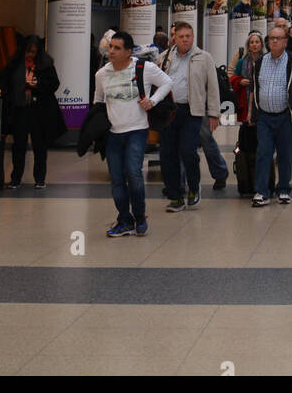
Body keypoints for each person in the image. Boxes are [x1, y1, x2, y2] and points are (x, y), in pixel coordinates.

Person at [94, 30, 172, 236]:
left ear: (128, 52)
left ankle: (139, 216)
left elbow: (167, 82)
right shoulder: (101, 74)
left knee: (133, 174)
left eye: (117, 48)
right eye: (110, 47)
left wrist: (152, 101)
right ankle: (124, 219)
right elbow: (98, 101)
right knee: (117, 179)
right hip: (113, 134)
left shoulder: (143, 68)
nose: (111, 51)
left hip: (137, 131)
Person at [158, 20, 221, 212]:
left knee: (188, 151)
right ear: (174, 38)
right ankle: (175, 196)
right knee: (167, 155)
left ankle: (194, 187)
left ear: (193, 37)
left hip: (192, 112)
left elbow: (213, 87)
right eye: (181, 37)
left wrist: (214, 113)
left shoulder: (204, 58)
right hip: (169, 112)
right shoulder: (164, 57)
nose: (185, 40)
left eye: (188, 36)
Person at [248, 23, 292, 207]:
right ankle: (261, 191)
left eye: (278, 38)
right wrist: (252, 112)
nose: (274, 41)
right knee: (263, 153)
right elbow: (254, 87)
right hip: (265, 117)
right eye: (271, 38)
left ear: (285, 42)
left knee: (285, 154)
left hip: (286, 116)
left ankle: (283, 189)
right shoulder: (260, 62)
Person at [0, 34, 65, 188]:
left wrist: (38, 84)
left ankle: (40, 179)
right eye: (28, 51)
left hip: (40, 110)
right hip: (20, 109)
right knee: (18, 145)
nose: (30, 54)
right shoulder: (15, 64)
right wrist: (0, 88)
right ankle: (15, 178)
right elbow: (3, 78)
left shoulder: (45, 65)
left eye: (33, 52)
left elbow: (54, 83)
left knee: (40, 145)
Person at [232, 31, 263, 124]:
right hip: (245, 97)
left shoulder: (266, 60)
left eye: (257, 42)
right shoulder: (242, 61)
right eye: (252, 42)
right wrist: (240, 81)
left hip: (261, 97)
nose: (254, 45)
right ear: (248, 46)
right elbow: (234, 77)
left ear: (261, 45)